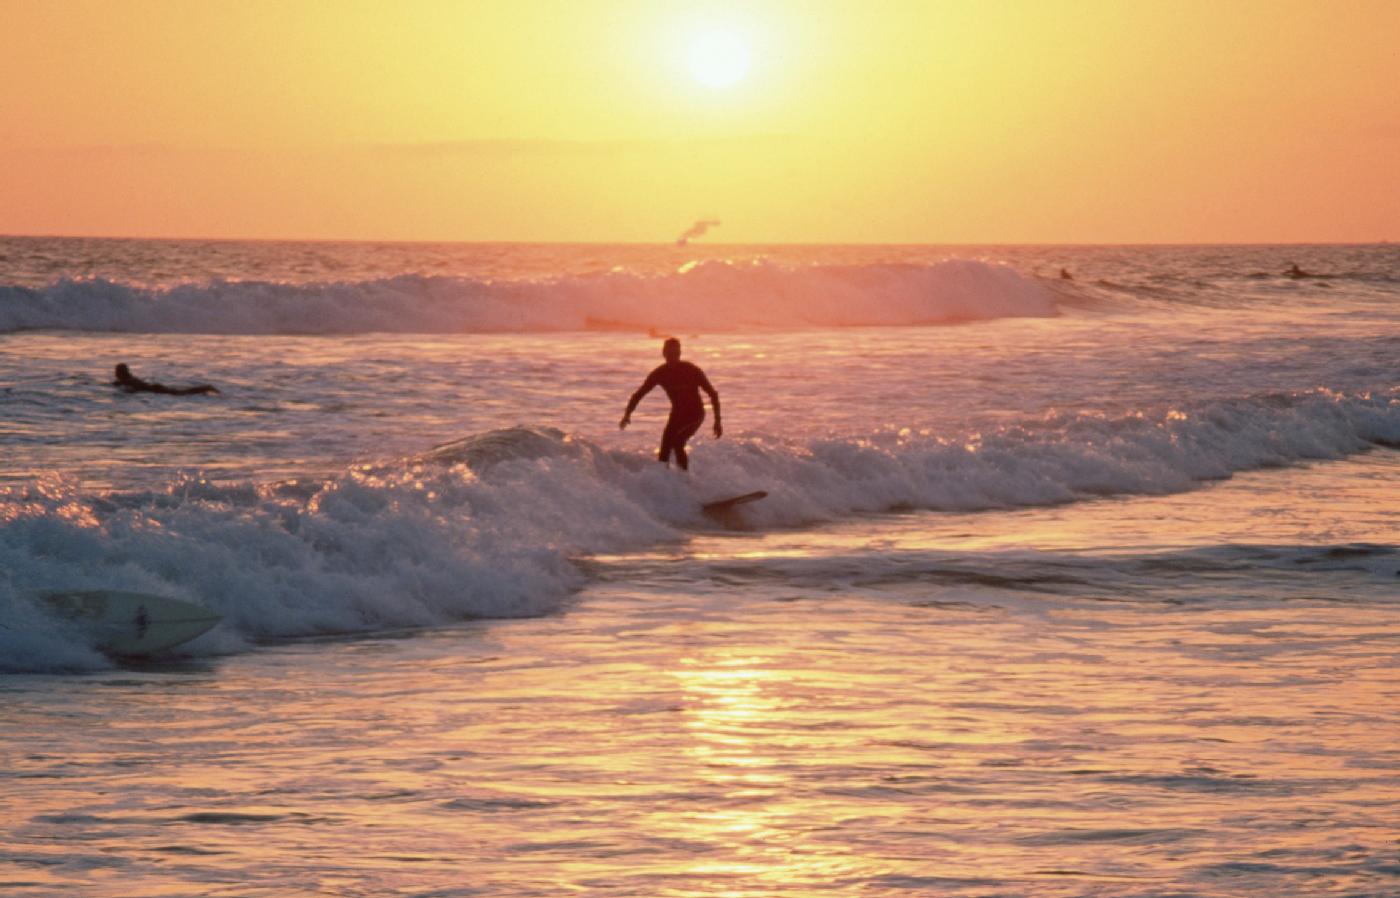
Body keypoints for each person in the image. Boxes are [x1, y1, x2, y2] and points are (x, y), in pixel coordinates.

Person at [619, 338, 721, 471]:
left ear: (680, 354)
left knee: (678, 443)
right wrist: (627, 414)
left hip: (695, 413)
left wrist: (717, 421)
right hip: (676, 415)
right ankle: (666, 485)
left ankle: (685, 480)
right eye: (669, 354)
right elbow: (639, 395)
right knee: (664, 452)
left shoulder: (691, 370)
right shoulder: (659, 373)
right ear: (664, 354)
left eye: (676, 354)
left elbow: (713, 394)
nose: (673, 358)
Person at [112, 363, 220, 395]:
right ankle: (205, 388)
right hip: (155, 388)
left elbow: (133, 390)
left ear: (121, 373)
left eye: (117, 371)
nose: (115, 373)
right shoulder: (128, 379)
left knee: (182, 393)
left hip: (156, 390)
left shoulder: (128, 381)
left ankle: (206, 388)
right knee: (182, 392)